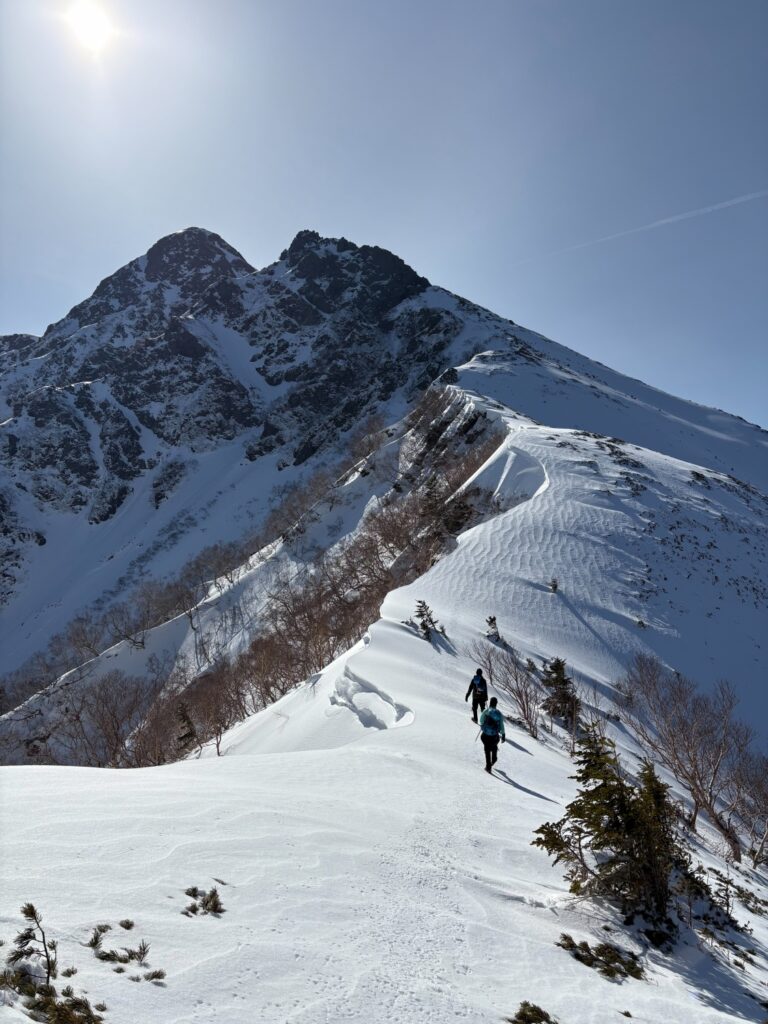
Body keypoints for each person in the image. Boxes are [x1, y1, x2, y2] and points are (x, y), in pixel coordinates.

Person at [479, 697, 505, 773]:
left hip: (486, 734)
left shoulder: (487, 710)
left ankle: (488, 767)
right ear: (496, 704)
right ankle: (494, 758)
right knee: (494, 744)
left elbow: (481, 720)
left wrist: (484, 724)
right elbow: (501, 725)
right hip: (495, 735)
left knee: (487, 749)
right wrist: (503, 735)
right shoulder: (499, 713)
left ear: (490, 702)